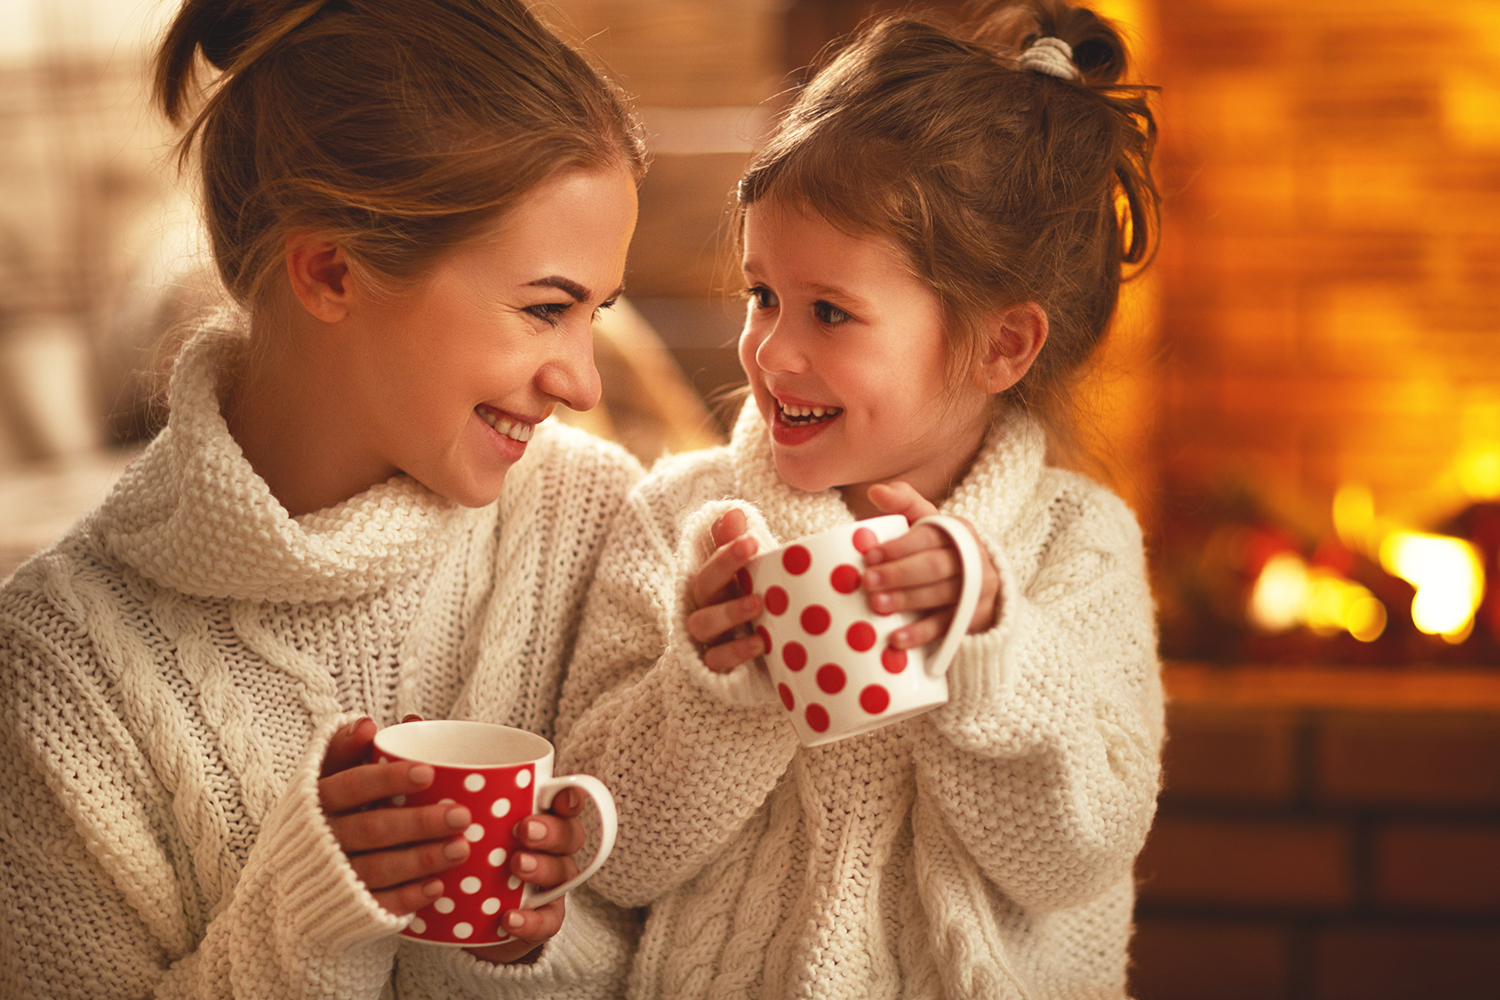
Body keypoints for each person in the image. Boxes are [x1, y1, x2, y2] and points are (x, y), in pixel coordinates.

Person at [0, 0, 649, 997]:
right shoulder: (57, 662)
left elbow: (704, 937)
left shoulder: (597, 520)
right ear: (331, 269)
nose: (582, 382)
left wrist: (536, 937)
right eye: (546, 309)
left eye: (594, 314)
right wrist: (311, 916)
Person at [554, 2, 1165, 997]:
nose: (770, 350)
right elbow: (604, 857)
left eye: (830, 311)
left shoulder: (1074, 548)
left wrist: (982, 645)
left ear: (1002, 345)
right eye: (763, 295)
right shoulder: (681, 525)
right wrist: (716, 689)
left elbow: (1075, 856)